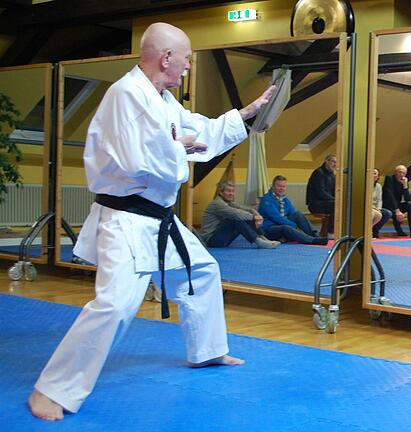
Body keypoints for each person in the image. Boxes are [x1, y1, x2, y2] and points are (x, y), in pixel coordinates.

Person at [28, 22, 278, 421]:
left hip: (157, 218)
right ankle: (52, 389)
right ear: (166, 58)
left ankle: (207, 351)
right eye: (186, 60)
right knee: (115, 305)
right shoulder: (125, 96)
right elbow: (136, 162)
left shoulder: (161, 100)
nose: (187, 67)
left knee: (203, 270)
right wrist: (180, 149)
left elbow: (199, 131)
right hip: (125, 220)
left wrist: (246, 113)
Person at [200, 181, 280, 249]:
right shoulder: (217, 204)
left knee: (245, 216)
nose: (231, 194)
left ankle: (263, 238)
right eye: (228, 191)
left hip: (222, 239)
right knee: (235, 218)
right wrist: (254, 217)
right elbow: (236, 213)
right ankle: (258, 241)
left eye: (232, 191)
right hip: (211, 240)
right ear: (221, 192)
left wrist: (256, 214)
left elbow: (246, 209)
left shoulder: (229, 203)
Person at [259, 175, 328, 245]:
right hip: (269, 228)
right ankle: (312, 240)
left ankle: (316, 235)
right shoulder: (266, 199)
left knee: (298, 215)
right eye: (279, 186)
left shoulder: (285, 199)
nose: (281, 188)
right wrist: (294, 226)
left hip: (281, 224)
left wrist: (295, 224)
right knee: (286, 227)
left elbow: (293, 212)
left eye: (283, 186)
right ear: (273, 186)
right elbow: (277, 218)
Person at [382, 164, 411, 238]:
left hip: (397, 205)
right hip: (388, 205)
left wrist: (405, 186)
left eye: (403, 173)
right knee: (396, 207)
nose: (401, 175)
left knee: (410, 204)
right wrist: (397, 210)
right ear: (395, 172)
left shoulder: (404, 181)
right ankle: (398, 229)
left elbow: (408, 199)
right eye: (399, 172)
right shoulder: (389, 178)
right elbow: (390, 196)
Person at [306, 154, 336, 233]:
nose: (335, 164)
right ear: (326, 161)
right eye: (333, 161)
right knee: (335, 204)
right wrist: (335, 199)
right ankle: (331, 232)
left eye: (336, 162)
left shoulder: (332, 175)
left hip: (327, 202)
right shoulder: (318, 173)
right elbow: (320, 193)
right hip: (315, 204)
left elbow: (334, 191)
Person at [371, 168, 391, 238]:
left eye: (375, 174)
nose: (373, 175)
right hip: (367, 207)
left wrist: (378, 208)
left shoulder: (378, 186)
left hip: (375, 207)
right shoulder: (364, 185)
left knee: (387, 213)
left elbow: (379, 200)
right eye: (372, 173)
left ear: (378, 177)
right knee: (372, 213)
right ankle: (368, 231)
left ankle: (374, 230)